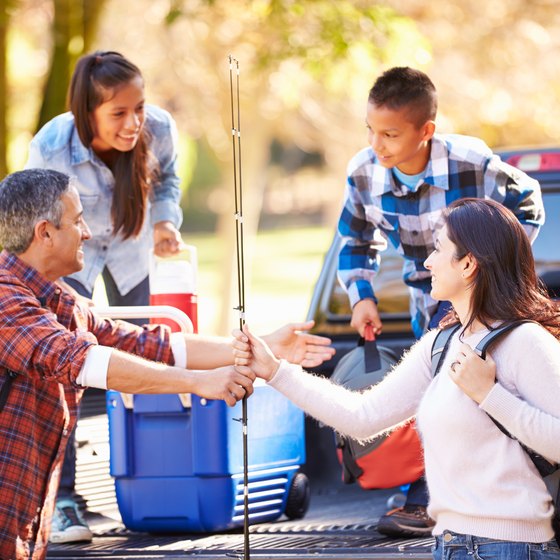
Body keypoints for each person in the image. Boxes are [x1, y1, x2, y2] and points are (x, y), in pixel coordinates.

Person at [0, 169, 335, 560]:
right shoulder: (6, 298)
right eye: (77, 221)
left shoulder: (60, 303)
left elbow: (151, 345)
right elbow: (85, 362)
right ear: (45, 233)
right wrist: (196, 383)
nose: (88, 233)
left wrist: (261, 346)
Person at [235, 198, 560, 560]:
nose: (427, 262)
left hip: (514, 549)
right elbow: (362, 418)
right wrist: (276, 372)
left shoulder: (526, 342)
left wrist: (490, 395)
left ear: (468, 264)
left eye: (438, 249)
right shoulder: (441, 345)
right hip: (449, 546)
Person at [336, 66, 545, 536]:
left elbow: (528, 200)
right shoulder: (364, 172)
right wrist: (361, 296)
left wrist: (493, 265)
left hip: (479, 298)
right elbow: (354, 239)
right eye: (370, 130)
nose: (377, 144)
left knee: (467, 387)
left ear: (426, 131)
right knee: (433, 390)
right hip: (426, 295)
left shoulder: (470, 161)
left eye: (390, 134)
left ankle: (435, 498)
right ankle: (437, 492)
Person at [25, 49, 186, 543]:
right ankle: (65, 501)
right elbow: (37, 220)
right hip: (72, 256)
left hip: (132, 250)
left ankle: (165, 483)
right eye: (119, 113)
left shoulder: (158, 127)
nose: (134, 121)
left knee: (149, 349)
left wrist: (164, 221)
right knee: (67, 370)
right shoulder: (53, 144)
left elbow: (168, 182)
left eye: (139, 107)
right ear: (86, 112)